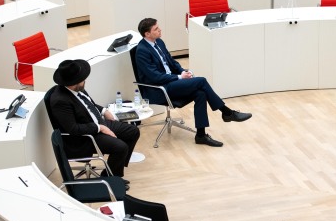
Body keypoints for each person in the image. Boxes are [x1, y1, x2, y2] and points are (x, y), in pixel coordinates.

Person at [134, 18, 251, 148]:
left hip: (171, 82)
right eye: (156, 29)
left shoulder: (159, 42)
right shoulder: (142, 51)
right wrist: (179, 77)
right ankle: (227, 112)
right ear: (147, 34)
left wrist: (184, 71)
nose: (160, 29)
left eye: (158, 27)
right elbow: (154, 77)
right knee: (201, 81)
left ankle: (201, 135)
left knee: (200, 93)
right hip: (160, 89)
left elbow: (172, 63)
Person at [49, 59, 139, 187]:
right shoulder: (60, 101)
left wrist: (104, 110)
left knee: (133, 131)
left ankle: (113, 172)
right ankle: (110, 179)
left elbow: (88, 104)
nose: (85, 80)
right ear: (74, 82)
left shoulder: (77, 89)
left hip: (97, 123)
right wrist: (99, 128)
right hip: (85, 136)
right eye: (82, 79)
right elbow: (73, 128)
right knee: (120, 147)